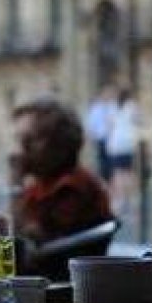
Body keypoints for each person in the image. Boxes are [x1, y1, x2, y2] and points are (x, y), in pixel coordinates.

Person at [9, 98, 111, 245]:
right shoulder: (40, 186)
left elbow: (30, 243)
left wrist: (15, 184)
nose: (21, 149)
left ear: (60, 143)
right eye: (19, 139)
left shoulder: (73, 186)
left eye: (31, 139)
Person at [104, 87, 142, 218]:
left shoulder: (112, 107)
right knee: (129, 174)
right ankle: (132, 203)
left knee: (118, 174)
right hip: (128, 144)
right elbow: (138, 122)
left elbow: (109, 126)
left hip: (116, 144)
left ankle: (119, 204)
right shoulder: (132, 106)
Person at [84, 86, 117, 182]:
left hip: (113, 140)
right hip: (101, 138)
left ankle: (111, 182)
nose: (107, 96)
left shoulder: (114, 107)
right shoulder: (96, 108)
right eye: (105, 93)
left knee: (112, 163)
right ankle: (104, 180)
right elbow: (91, 124)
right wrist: (90, 136)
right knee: (102, 162)